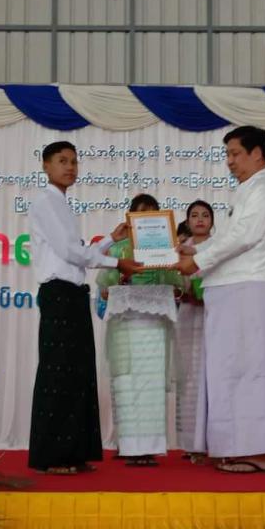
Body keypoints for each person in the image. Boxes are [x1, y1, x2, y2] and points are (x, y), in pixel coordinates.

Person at [28, 140, 142, 474]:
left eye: (74, 162)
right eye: (62, 161)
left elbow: (75, 250)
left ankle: (74, 452)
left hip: (74, 294)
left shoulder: (62, 203)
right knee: (58, 373)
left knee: (77, 373)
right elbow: (70, 252)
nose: (70, 167)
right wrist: (117, 262)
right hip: (59, 294)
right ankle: (53, 457)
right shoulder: (45, 201)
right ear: (46, 166)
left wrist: (110, 240)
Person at [177, 126, 265, 473]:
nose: (230, 162)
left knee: (248, 371)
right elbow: (231, 237)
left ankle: (253, 450)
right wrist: (192, 251)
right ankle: (238, 447)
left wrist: (196, 260)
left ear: (257, 154)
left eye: (235, 154)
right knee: (232, 370)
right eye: (227, 155)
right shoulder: (248, 191)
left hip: (248, 289)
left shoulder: (264, 190)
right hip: (236, 289)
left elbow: (244, 237)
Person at [97, 193, 182, 467]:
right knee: (126, 383)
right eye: (141, 214)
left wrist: (173, 272)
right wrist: (121, 278)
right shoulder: (118, 249)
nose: (147, 219)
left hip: (154, 325)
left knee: (151, 386)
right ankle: (129, 446)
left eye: (152, 214)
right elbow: (104, 288)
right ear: (131, 218)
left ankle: (149, 448)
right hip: (125, 323)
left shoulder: (166, 248)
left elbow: (177, 284)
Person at [174, 200, 214, 462]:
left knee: (210, 377)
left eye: (205, 215)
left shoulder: (219, 247)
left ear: (212, 221)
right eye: (194, 215)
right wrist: (182, 292)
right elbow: (173, 282)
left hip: (213, 316)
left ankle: (212, 442)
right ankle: (190, 443)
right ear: (187, 221)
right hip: (187, 315)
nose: (200, 219)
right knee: (189, 377)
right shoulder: (180, 249)